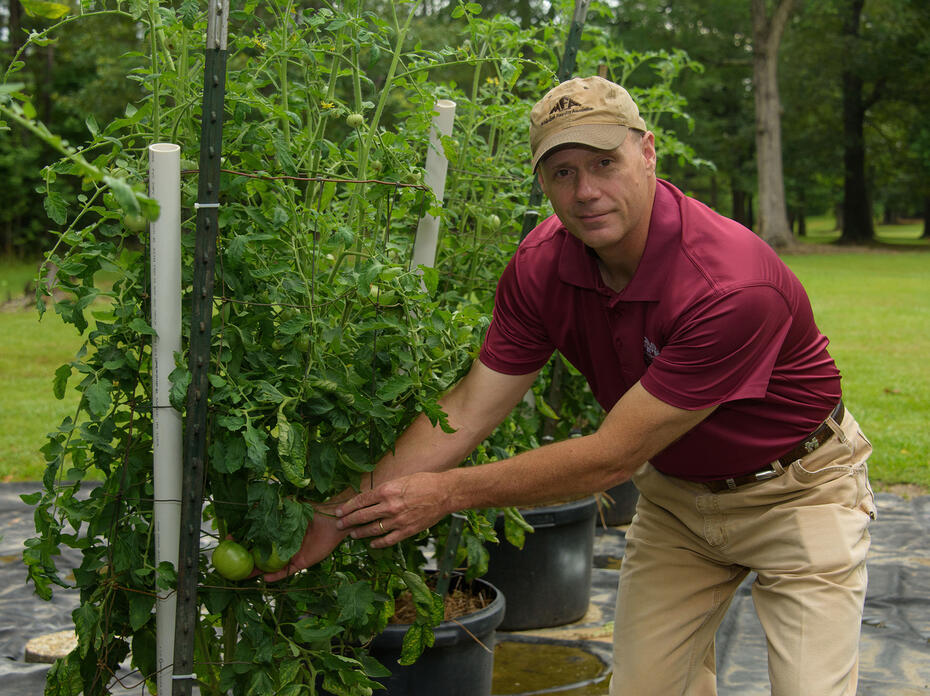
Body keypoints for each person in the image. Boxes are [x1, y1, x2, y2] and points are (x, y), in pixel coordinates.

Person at [266, 76, 876, 696]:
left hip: (798, 494)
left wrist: (446, 493)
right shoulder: (542, 267)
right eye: (562, 172)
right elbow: (471, 407)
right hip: (677, 502)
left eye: (604, 163)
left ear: (647, 152)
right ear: (542, 183)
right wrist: (340, 514)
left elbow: (611, 457)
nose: (585, 191)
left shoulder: (729, 287)